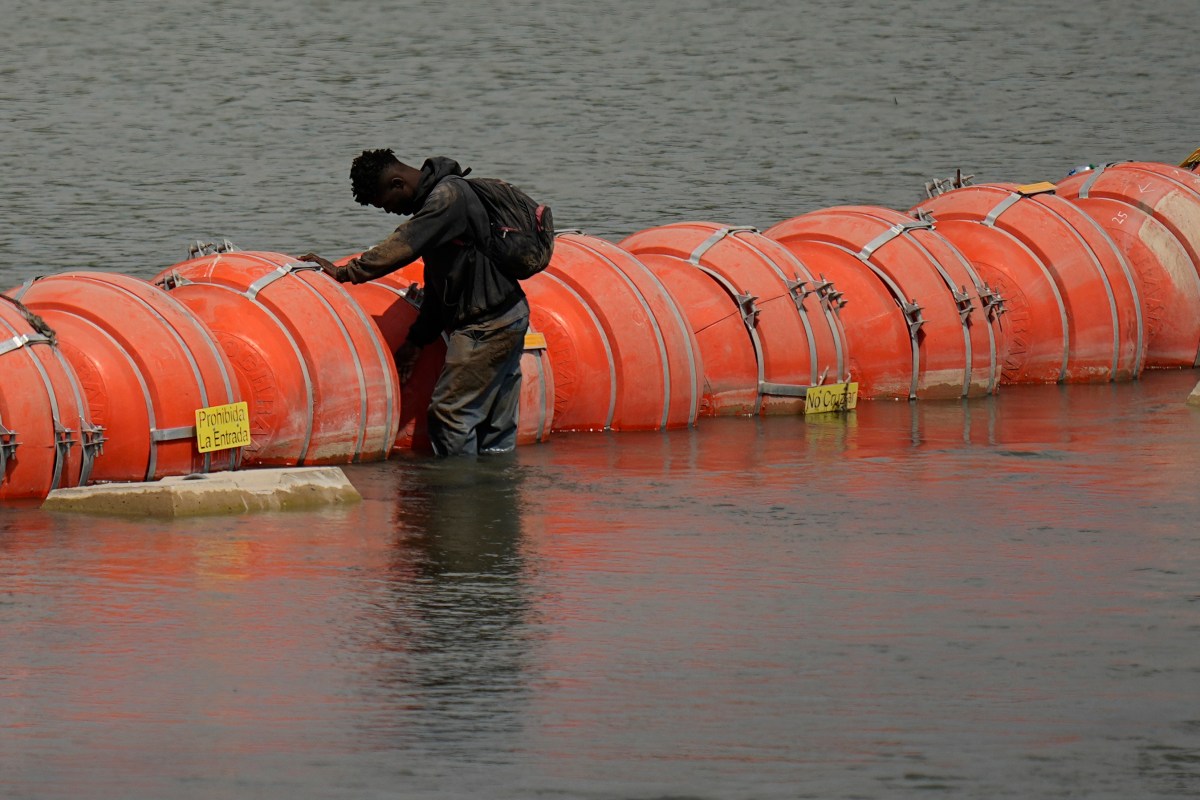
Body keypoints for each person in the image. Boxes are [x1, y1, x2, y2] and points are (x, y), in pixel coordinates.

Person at [300, 150, 529, 456]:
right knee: (494, 427)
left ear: (398, 184)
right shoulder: (448, 200)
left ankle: (457, 497)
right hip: (509, 314)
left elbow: (403, 245)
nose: (389, 212)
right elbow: (441, 287)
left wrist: (344, 272)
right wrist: (417, 340)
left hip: (485, 327)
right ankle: (494, 496)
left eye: (386, 204)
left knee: (450, 416)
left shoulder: (446, 199)